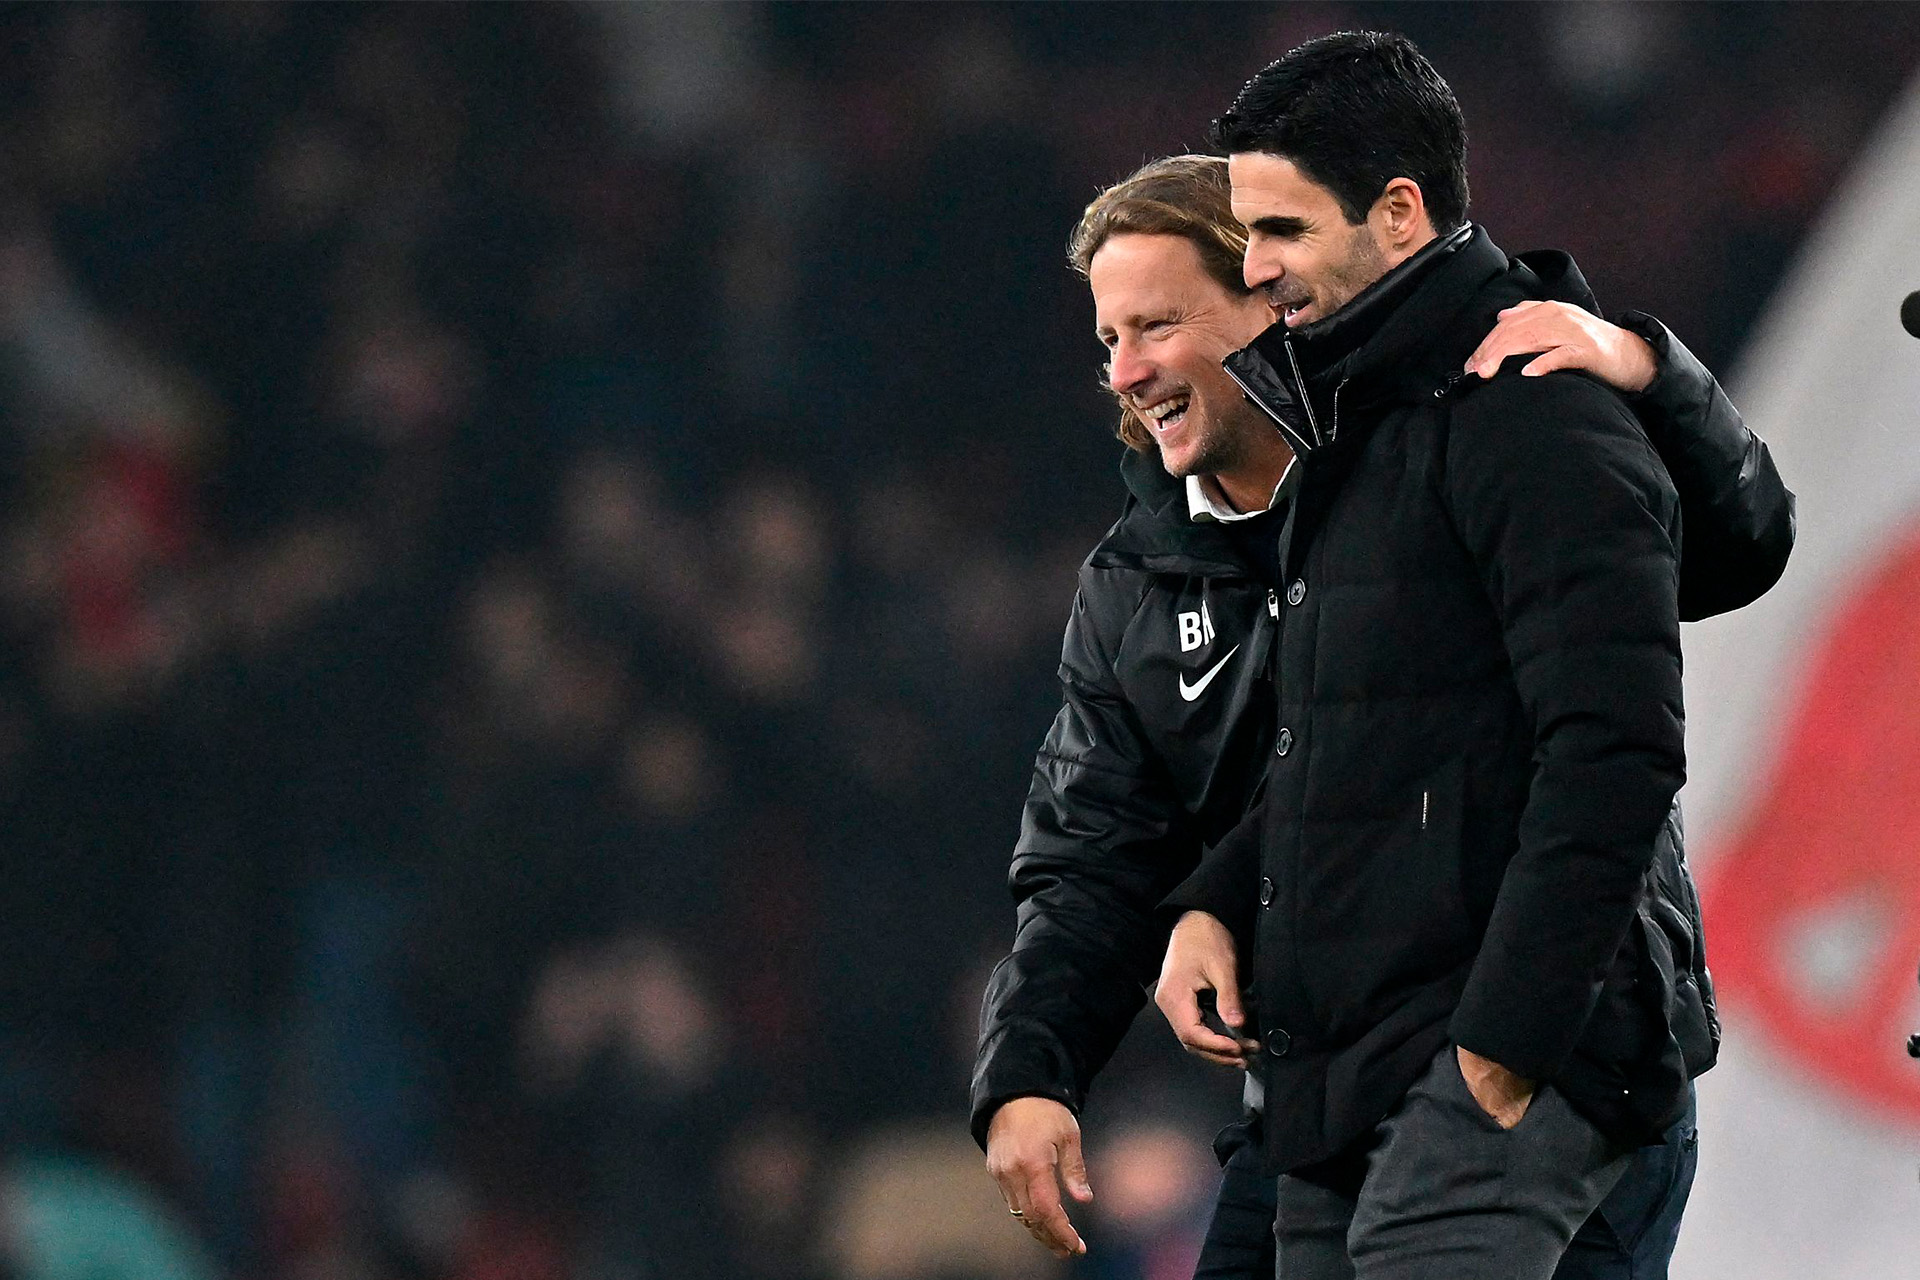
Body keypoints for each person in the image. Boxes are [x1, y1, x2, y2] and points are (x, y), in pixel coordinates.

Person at [972, 152, 1793, 1275]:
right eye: (1108, 339)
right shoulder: (1133, 585)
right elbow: (1089, 850)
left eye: (1156, 324)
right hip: (1323, 1085)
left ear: (1273, 298)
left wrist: (1648, 364)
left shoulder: (1459, 454)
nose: (1126, 370)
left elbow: (1726, 548)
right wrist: (1028, 1067)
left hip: (1541, 1058)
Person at [1148, 31, 1763, 1278]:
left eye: (1283, 231)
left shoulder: (1536, 405)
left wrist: (1504, 1046)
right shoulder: (1346, 417)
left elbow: (1618, 748)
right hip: (1346, 1060)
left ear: (1398, 211)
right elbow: (1356, 737)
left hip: (1486, 1061)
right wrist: (1216, 898)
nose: (1253, 268)